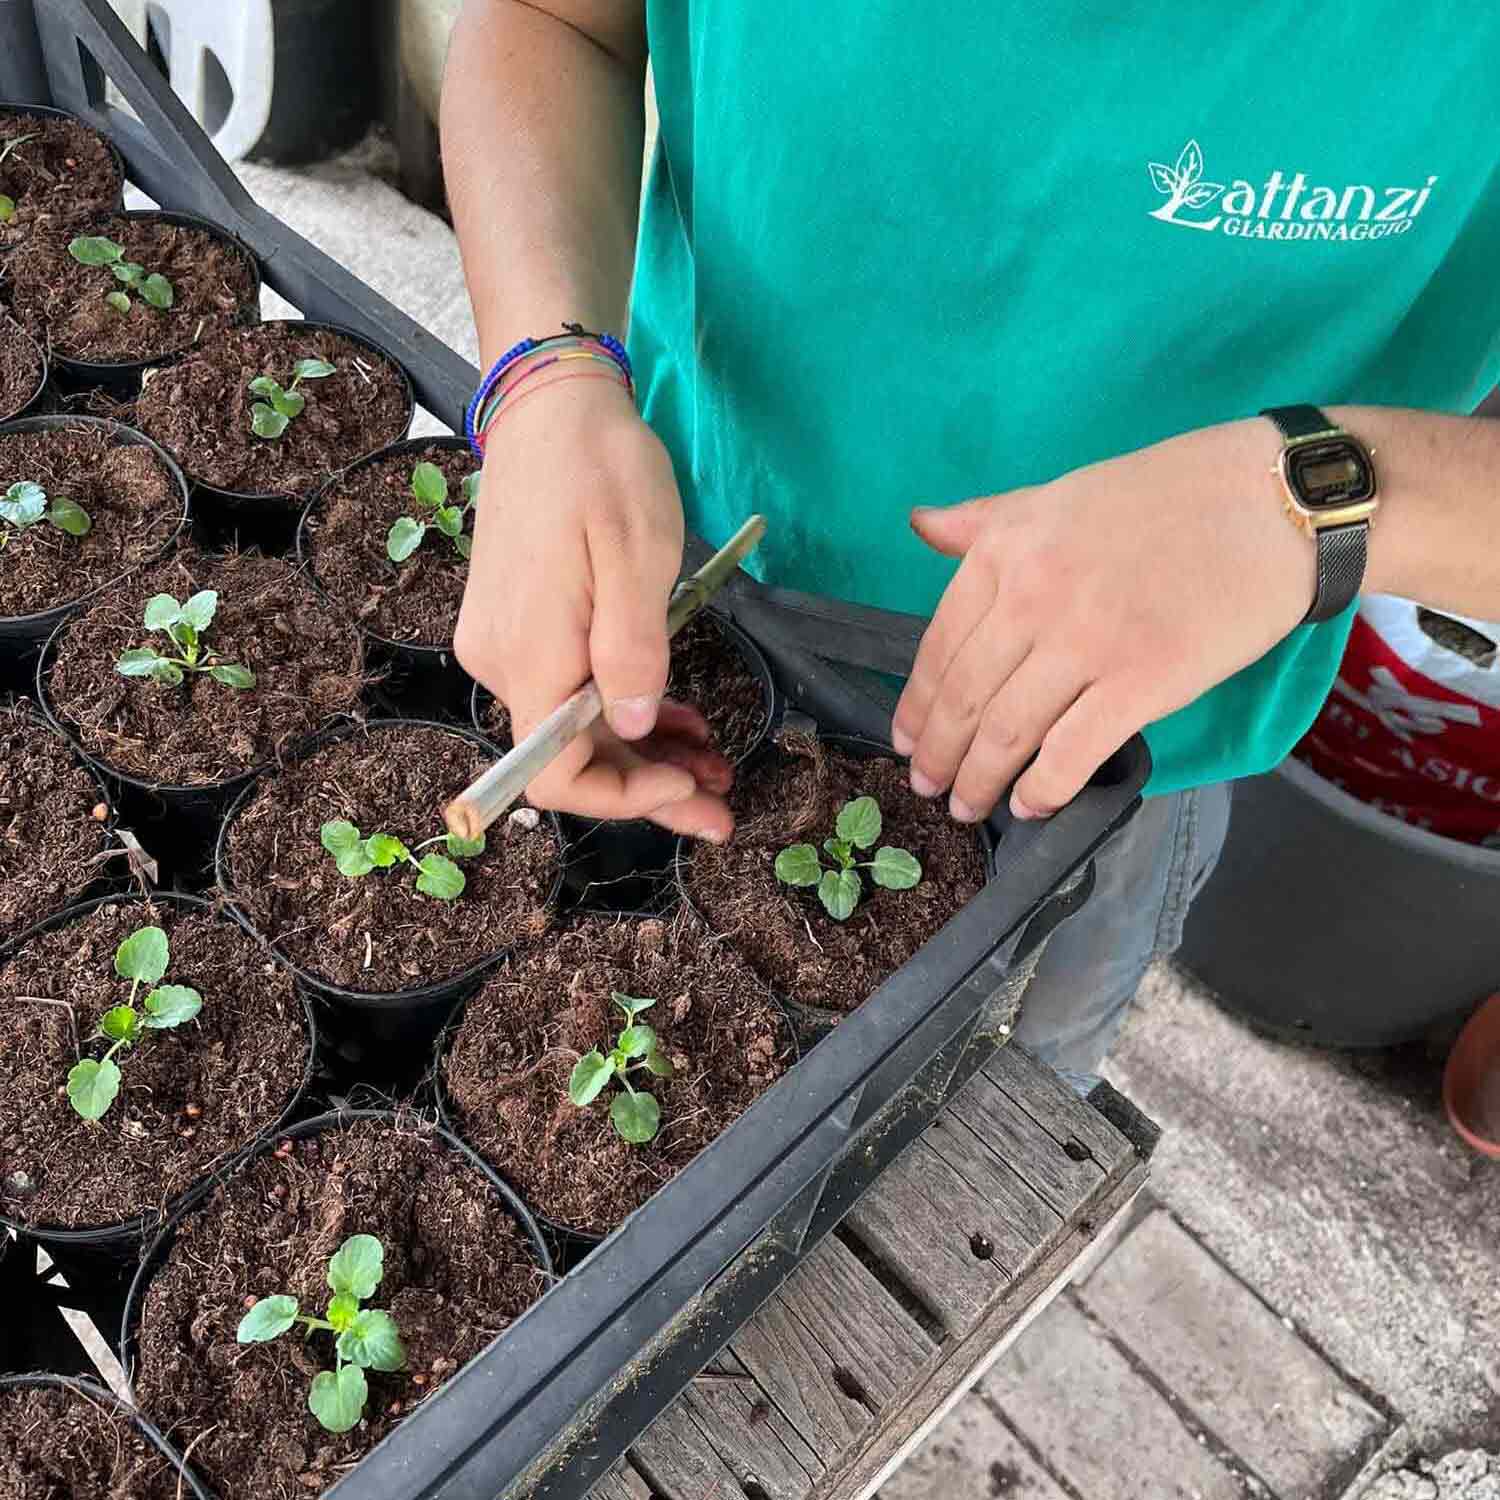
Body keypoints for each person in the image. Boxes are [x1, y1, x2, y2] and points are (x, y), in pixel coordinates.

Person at [442, 1, 1500, 1087]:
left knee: (1010, 1090)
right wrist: (546, 380)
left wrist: (1318, 502)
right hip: (693, 595)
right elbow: (552, 20)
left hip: (1104, 755)